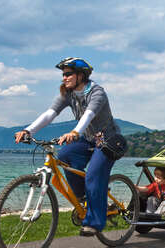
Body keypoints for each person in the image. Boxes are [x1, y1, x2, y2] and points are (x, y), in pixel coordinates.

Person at [14, 57, 122, 236]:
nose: (64, 77)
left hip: (107, 140)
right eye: (63, 74)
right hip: (87, 138)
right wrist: (29, 130)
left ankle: (94, 222)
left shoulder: (97, 92)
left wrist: (74, 132)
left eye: (68, 74)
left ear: (81, 75)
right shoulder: (68, 93)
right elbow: (50, 113)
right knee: (64, 156)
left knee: (94, 175)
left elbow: (89, 114)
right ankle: (85, 197)